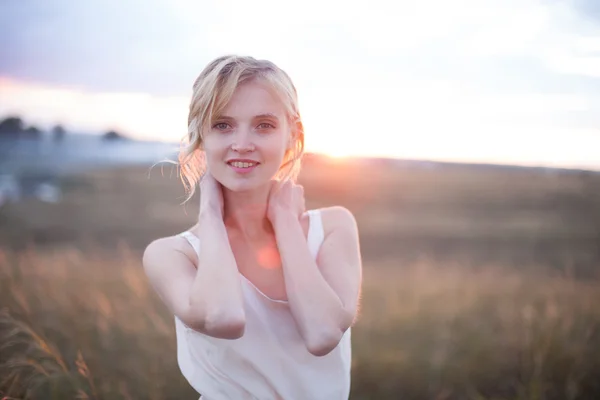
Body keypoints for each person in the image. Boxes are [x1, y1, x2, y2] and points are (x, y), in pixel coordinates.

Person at [143, 55, 363, 400]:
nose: (242, 143)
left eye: (263, 125)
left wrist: (286, 221)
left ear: (294, 135)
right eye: (222, 125)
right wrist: (211, 216)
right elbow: (224, 316)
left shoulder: (333, 227)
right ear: (200, 134)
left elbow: (323, 334)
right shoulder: (172, 255)